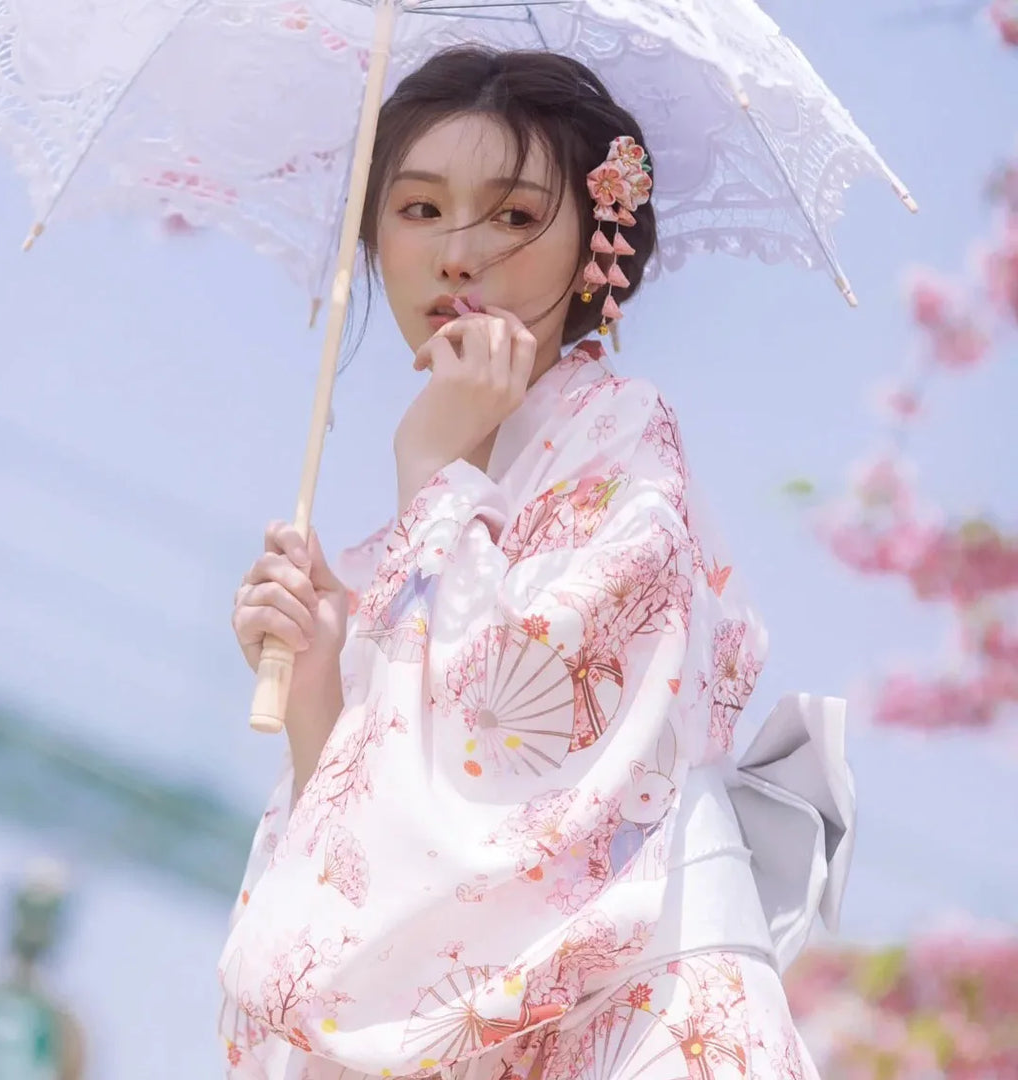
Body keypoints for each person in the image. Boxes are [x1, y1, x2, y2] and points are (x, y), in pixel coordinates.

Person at [218, 46, 853, 1080]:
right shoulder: (440, 508)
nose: (457, 253)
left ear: (600, 240)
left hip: (640, 1017)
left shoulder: (625, 449)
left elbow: (524, 758)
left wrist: (431, 464)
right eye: (418, 210)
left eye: (513, 216)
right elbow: (384, 859)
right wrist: (319, 683)